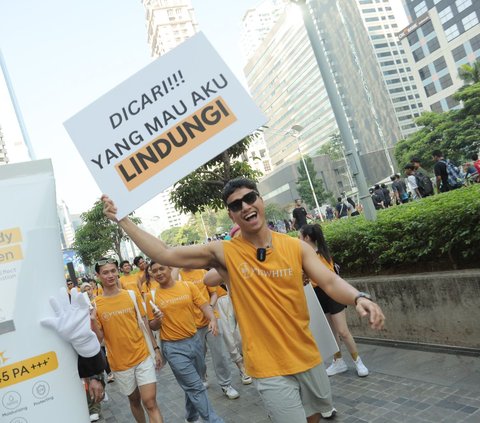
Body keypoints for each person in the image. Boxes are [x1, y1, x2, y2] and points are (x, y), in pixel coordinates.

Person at [102, 178, 385, 423]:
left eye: (250, 198)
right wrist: (123, 219)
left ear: (260, 200)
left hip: (308, 356)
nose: (245, 206)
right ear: (232, 215)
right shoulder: (224, 253)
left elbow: (329, 281)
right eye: (237, 205)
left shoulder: (295, 247)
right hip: (267, 365)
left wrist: (358, 297)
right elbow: (165, 254)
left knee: (313, 415)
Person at [145, 261, 224, 423]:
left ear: (170, 268)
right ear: (151, 274)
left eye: (161, 268)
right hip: (173, 348)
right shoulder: (150, 296)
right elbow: (151, 325)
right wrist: (158, 321)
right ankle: (214, 420)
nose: (158, 273)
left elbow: (204, 305)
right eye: (154, 271)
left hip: (195, 342)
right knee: (196, 387)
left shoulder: (188, 286)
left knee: (193, 383)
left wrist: (213, 319)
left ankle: (191, 416)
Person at [90, 258, 164, 423]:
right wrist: (94, 321)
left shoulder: (131, 295)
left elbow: (144, 324)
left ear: (117, 272)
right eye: (105, 272)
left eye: (113, 271)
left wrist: (156, 349)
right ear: (98, 276)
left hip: (142, 355)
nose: (110, 275)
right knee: (134, 400)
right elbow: (100, 339)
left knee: (150, 402)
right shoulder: (96, 305)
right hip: (120, 363)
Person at [299, 224, 369, 378]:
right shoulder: (305, 256)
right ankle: (338, 361)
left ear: (307, 238)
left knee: (343, 331)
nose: (298, 240)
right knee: (331, 333)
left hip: (331, 294)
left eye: (300, 237)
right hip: (317, 295)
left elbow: (329, 280)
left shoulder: (321, 255)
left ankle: (358, 360)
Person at [41, 287, 106, 422]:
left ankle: (94, 407)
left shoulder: (76, 313)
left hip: (81, 369)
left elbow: (98, 343)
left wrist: (96, 376)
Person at [177, 267, 240, 400]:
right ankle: (202, 376)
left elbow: (214, 293)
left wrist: (210, 309)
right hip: (193, 324)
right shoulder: (178, 277)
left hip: (212, 320)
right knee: (198, 355)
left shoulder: (203, 272)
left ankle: (226, 384)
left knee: (220, 354)